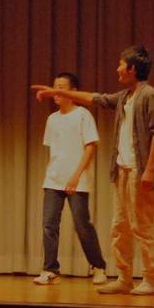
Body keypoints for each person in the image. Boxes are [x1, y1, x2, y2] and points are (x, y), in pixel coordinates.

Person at [33, 45, 154, 295]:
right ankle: (125, 278)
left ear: (132, 69)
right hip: (122, 169)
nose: (117, 68)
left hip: (139, 170)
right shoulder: (125, 97)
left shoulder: (148, 94)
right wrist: (56, 92)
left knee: (142, 226)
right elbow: (97, 98)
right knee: (120, 227)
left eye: (121, 64)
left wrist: (150, 169)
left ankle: (149, 279)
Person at [34, 72, 108, 286]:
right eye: (54, 86)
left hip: (78, 180)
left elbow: (90, 147)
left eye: (61, 87)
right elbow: (55, 151)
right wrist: (53, 175)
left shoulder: (83, 115)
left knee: (82, 225)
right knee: (49, 225)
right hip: (53, 179)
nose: (55, 91)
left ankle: (98, 266)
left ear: (73, 91)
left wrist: (75, 176)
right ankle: (50, 270)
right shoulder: (52, 119)